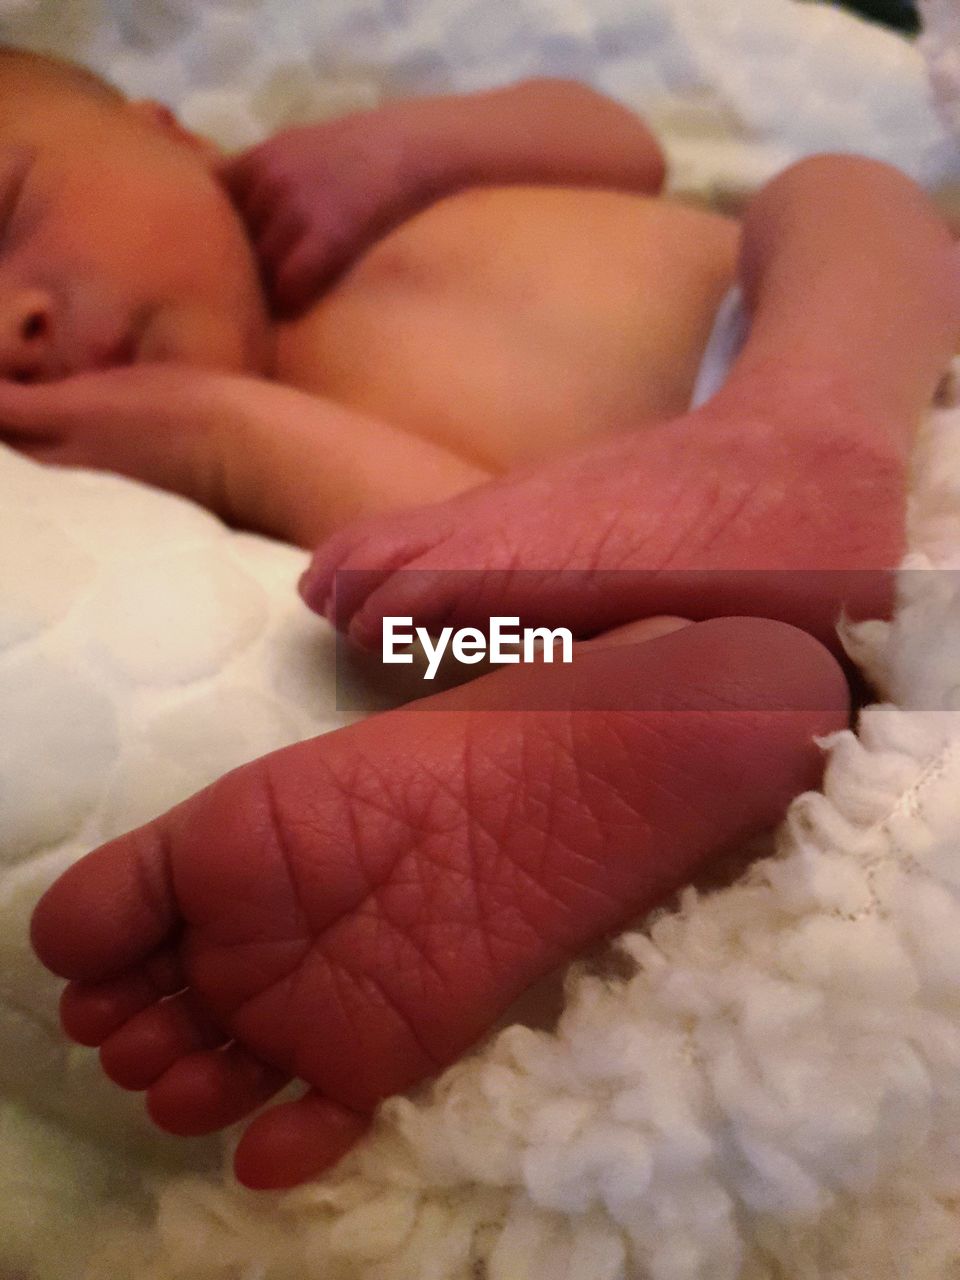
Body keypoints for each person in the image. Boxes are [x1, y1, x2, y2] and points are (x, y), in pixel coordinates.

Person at [9, 47, 960, 1191]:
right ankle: (725, 690)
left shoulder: (364, 188)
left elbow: (616, 140)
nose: (15, 319)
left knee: (836, 188)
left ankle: (804, 417)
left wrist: (403, 147)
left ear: (174, 132)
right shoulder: (207, 458)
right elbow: (456, 567)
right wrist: (229, 431)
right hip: (701, 605)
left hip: (872, 359)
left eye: (10, 214)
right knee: (425, 635)